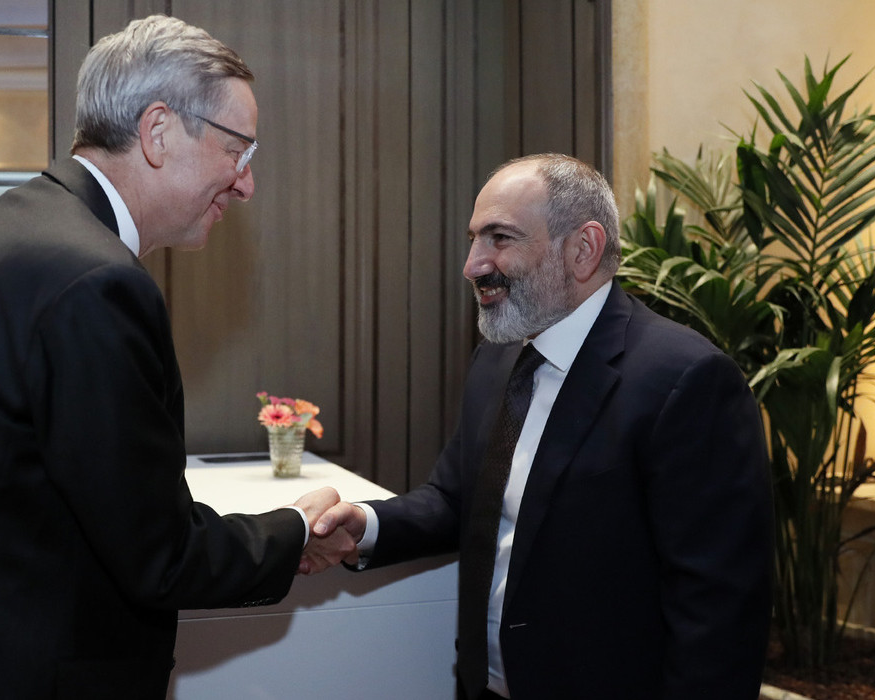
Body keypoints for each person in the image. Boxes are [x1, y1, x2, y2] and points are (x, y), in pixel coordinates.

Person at [0, 15, 351, 700]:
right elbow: (158, 555)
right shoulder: (97, 282)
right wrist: (295, 531)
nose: (246, 185)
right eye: (238, 150)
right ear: (158, 132)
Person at [310, 154, 774, 699]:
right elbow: (459, 501)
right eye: (474, 240)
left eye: (500, 238)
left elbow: (719, 613)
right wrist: (365, 525)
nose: (473, 265)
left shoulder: (686, 380)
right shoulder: (498, 358)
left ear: (583, 249)